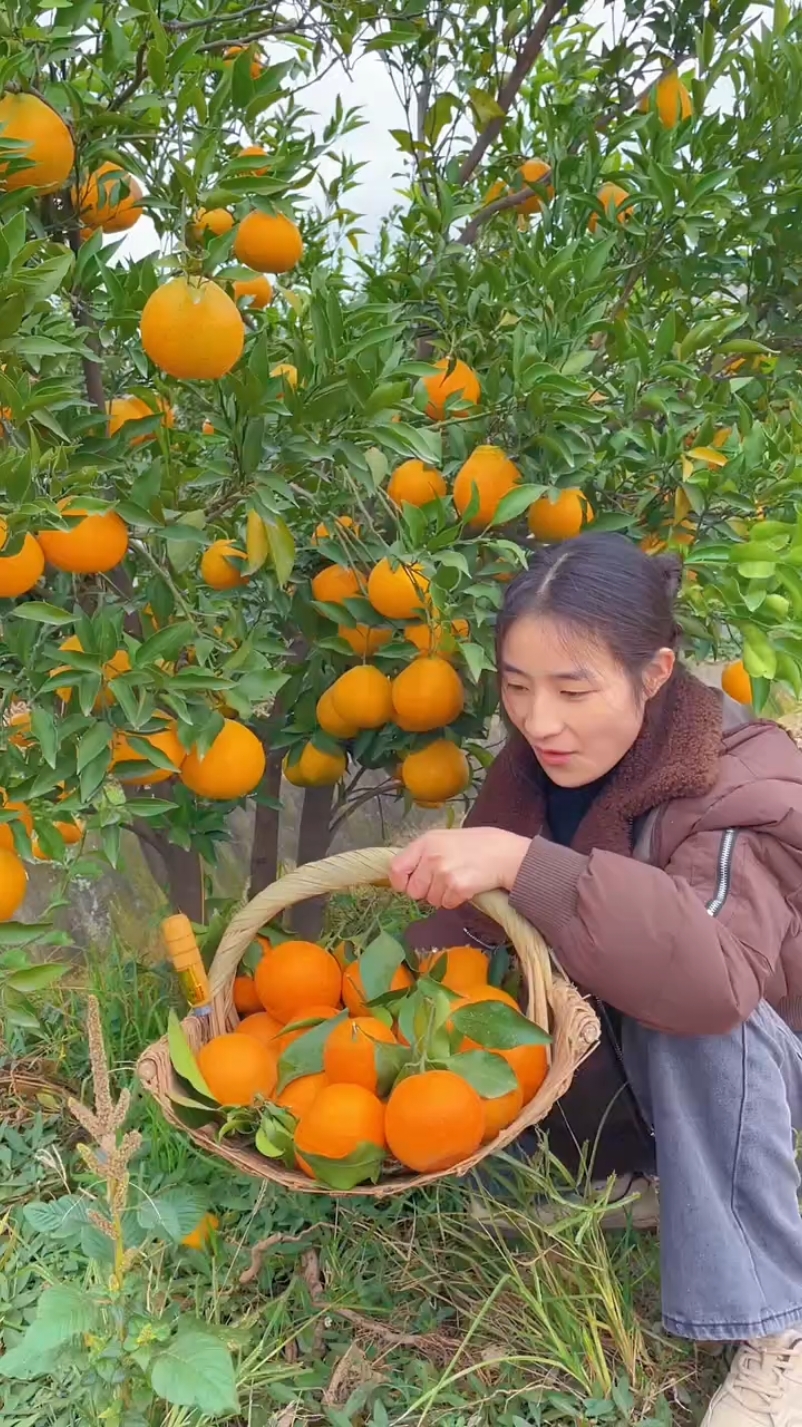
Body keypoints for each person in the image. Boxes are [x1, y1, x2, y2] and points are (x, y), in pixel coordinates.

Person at [390, 531, 802, 1427]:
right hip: (622, 1047)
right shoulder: (530, 772)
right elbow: (466, 940)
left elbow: (715, 979)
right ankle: (628, 1176)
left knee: (695, 1015)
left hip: (753, 1058)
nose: (541, 721)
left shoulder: (742, 780)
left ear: (655, 674)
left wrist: (522, 861)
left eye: (574, 689)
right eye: (516, 685)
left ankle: (780, 1325)